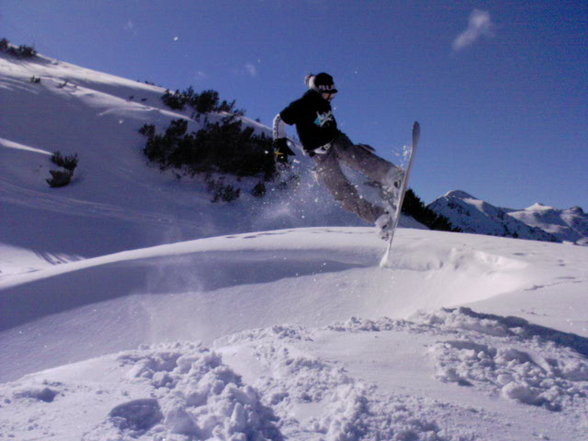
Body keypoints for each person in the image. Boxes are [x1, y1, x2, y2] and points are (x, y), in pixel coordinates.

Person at [272, 72, 404, 238]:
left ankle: (392, 175)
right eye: (328, 93)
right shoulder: (301, 105)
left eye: (333, 94)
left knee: (354, 156)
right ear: (318, 91)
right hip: (319, 156)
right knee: (342, 193)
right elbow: (278, 121)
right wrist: (280, 150)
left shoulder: (324, 102)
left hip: (336, 140)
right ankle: (380, 217)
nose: (331, 97)